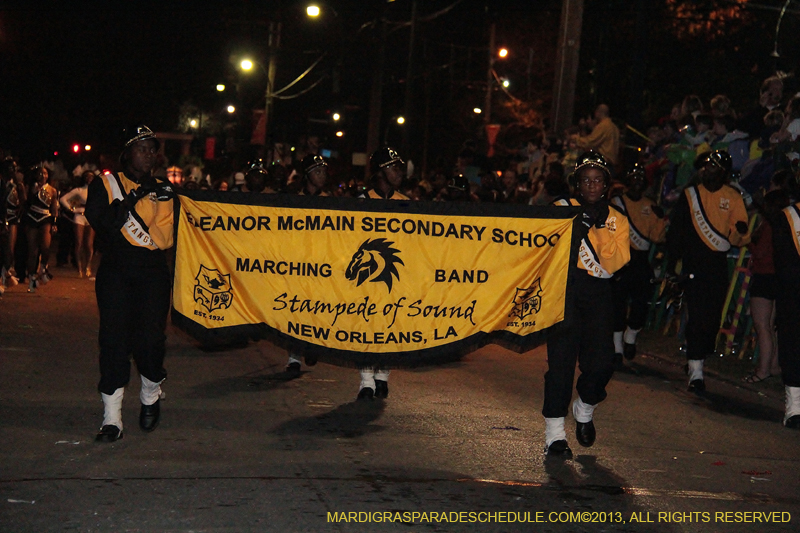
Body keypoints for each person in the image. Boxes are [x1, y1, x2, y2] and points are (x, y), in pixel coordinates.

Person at [85, 125, 176, 442]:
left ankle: (150, 392)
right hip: (116, 272)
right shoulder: (106, 184)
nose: (149, 155)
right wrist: (133, 199)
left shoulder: (165, 188)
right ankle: (112, 418)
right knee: (113, 342)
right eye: (142, 148)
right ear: (126, 154)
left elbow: (169, 236)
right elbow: (103, 223)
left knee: (150, 341)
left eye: (152, 149)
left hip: (152, 273)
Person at [545, 151, 630, 456]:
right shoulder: (560, 209)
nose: (592, 185)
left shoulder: (617, 218)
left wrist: (600, 227)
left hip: (598, 293)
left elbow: (615, 263)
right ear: (577, 183)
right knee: (560, 365)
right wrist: (576, 228)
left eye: (597, 180)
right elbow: (545, 246)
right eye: (586, 180)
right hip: (564, 292)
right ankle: (555, 434)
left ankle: (585, 407)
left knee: (602, 362)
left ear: (606, 184)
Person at [666, 150, 751, 393]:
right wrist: (672, 264)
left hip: (716, 264)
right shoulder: (690, 195)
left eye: (713, 166)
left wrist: (741, 231)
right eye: (706, 166)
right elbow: (677, 231)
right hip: (693, 263)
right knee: (696, 316)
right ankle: (696, 372)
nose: (707, 170)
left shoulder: (733, 197)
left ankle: (698, 357)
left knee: (712, 319)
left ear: (723, 171)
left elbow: (738, 235)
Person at [356, 147, 409, 400]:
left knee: (392, 323)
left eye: (399, 168)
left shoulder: (405, 202)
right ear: (379, 172)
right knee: (366, 324)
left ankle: (383, 376)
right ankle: (366, 381)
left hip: (395, 276)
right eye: (392, 167)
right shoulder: (362, 200)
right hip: (367, 277)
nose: (399, 173)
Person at [610, 164, 668, 364]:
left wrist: (660, 219)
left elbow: (658, 237)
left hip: (640, 260)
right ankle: (617, 347)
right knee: (617, 303)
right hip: (619, 258)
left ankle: (631, 335)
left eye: (640, 179)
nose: (637, 183)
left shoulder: (649, 206)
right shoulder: (616, 203)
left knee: (641, 301)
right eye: (633, 179)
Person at [285, 154, 329, 377]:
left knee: (317, 309)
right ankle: (294, 357)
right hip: (298, 263)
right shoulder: (294, 199)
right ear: (307, 175)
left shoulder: (331, 201)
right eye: (317, 172)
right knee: (296, 310)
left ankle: (312, 346)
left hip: (322, 265)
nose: (322, 176)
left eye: (324, 172)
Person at [744, 184, 790, 384]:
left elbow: (761, 252)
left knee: (762, 326)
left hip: (764, 277)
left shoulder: (769, 226)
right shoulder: (784, 224)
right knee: (771, 327)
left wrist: (747, 241)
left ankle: (763, 370)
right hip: (777, 277)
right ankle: (772, 366)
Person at [771, 179, 800, 429]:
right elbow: (784, 263)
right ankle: (794, 408)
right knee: (793, 348)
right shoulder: (788, 217)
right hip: (794, 296)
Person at [24, 165, 59, 292]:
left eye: (45, 173)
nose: (42, 176)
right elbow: (26, 203)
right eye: (40, 173)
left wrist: (54, 223)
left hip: (45, 218)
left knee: (45, 247)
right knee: (32, 251)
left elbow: (54, 208)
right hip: (32, 217)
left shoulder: (52, 190)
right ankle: (31, 278)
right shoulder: (30, 187)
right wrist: (32, 192)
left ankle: (43, 267)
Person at [60, 170, 97, 278]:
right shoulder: (79, 190)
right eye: (87, 177)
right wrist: (71, 209)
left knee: (89, 244)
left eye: (91, 177)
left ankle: (88, 266)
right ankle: (79, 267)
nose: (89, 179)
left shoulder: (97, 191)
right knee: (79, 243)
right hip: (79, 216)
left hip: (91, 218)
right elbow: (63, 199)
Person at [1, 159, 21, 293]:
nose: (13, 171)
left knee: (9, 249)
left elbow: (23, 203)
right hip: (2, 217)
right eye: (10, 168)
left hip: (12, 218)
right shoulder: (2, 183)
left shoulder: (17, 185)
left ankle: (5, 273)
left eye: (14, 168)